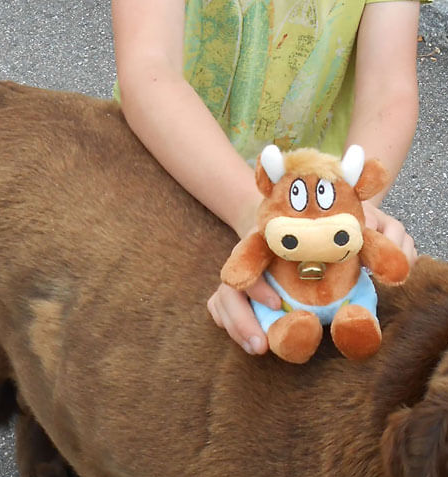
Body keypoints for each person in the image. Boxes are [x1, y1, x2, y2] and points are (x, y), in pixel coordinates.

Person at [113, 0, 425, 355]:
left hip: (305, 201)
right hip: (160, 175)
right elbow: (149, 68)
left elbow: (388, 90)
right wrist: (258, 212)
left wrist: (351, 208)